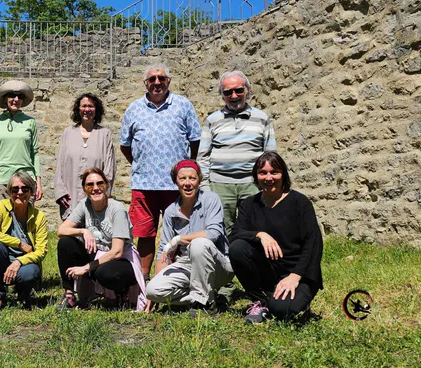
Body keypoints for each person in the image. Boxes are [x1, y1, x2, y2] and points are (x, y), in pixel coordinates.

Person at [119, 63, 201, 279]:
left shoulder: (183, 105)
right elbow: (125, 145)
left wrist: (185, 169)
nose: (157, 83)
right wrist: (142, 164)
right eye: (152, 79)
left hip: (177, 186)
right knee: (145, 233)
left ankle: (178, 277)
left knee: (181, 232)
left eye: (161, 78)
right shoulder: (134, 108)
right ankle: (145, 279)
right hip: (144, 184)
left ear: (169, 81)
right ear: (145, 83)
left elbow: (195, 140)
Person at [228, 152, 323, 324]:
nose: (268, 177)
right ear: (256, 176)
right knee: (237, 248)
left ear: (283, 174)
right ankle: (260, 301)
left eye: (274, 172)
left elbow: (313, 244)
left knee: (281, 310)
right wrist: (260, 235)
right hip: (269, 271)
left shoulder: (300, 203)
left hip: (299, 274)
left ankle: (293, 301)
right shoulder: (249, 205)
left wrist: (295, 276)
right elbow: (234, 234)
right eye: (263, 172)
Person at [144, 160, 233, 317]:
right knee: (152, 290)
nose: (187, 183)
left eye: (192, 178)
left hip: (217, 264)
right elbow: (164, 249)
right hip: (187, 264)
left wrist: (179, 239)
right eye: (182, 178)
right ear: (175, 181)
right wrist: (156, 293)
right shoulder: (171, 211)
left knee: (198, 244)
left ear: (199, 180)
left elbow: (213, 234)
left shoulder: (211, 199)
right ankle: (201, 297)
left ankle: (206, 305)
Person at [196, 70, 276, 233]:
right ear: (222, 95)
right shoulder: (212, 120)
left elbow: (270, 155)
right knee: (221, 230)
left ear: (247, 91)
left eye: (238, 90)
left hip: (253, 184)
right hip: (220, 186)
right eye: (227, 92)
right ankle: (226, 259)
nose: (234, 95)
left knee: (256, 227)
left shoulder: (262, 118)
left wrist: (267, 182)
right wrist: (206, 188)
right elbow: (203, 157)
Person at [56, 168, 147, 311]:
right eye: (90, 185)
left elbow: (117, 251)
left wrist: (86, 268)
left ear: (106, 185)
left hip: (123, 259)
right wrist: (83, 230)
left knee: (104, 273)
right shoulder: (84, 204)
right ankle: (69, 295)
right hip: (98, 253)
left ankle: (122, 292)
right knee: (65, 243)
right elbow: (61, 230)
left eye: (100, 184)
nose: (95, 188)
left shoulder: (117, 209)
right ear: (85, 189)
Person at [0, 171, 48, 310]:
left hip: (25, 262)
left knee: (29, 274)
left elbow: (41, 251)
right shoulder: (1, 206)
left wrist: (19, 262)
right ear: (9, 192)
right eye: (15, 189)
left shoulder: (39, 217)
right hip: (4, 257)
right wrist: (18, 243)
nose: (19, 192)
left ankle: (23, 293)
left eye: (25, 189)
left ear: (31, 191)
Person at [54, 93, 116, 219]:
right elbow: (60, 165)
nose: (87, 110)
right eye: (84, 106)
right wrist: (60, 192)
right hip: (71, 196)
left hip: (96, 196)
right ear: (78, 109)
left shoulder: (104, 134)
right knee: (71, 234)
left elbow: (110, 168)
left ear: (96, 110)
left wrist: (102, 193)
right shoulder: (68, 133)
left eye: (91, 106)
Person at [0, 80, 42, 205]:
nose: (16, 99)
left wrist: (38, 182)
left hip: (25, 179)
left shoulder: (30, 122)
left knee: (25, 221)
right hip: (1, 180)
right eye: (12, 95)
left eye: (20, 96)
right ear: (5, 99)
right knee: (2, 221)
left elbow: (35, 153)